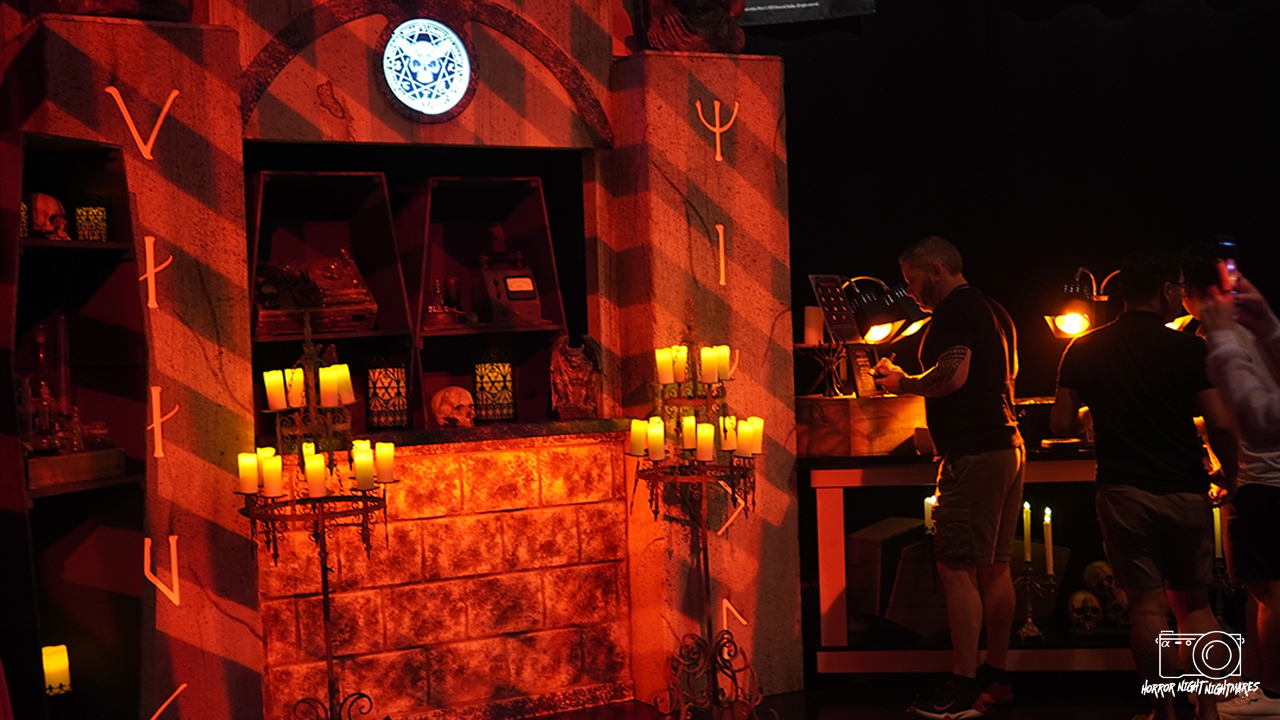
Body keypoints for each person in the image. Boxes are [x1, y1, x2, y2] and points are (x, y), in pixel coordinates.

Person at [1051, 251, 1238, 720]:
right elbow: (1219, 423)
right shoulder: (1189, 350)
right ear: (1165, 292)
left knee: (1147, 609)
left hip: (1123, 491)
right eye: (1178, 289)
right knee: (1195, 606)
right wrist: (1232, 475)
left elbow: (1060, 423)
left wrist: (1097, 411)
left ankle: (1165, 713)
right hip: (1184, 488)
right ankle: (1209, 712)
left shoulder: (1084, 348)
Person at [875, 237, 1023, 720]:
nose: (909, 290)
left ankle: (961, 687)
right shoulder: (994, 309)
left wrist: (901, 382)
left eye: (912, 279)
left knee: (956, 568)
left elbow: (953, 375)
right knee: (995, 566)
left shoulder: (954, 310)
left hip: (974, 454)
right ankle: (995, 677)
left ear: (936, 271)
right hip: (1006, 445)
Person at [1187, 257, 1280, 720]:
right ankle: (1261, 684)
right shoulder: (1258, 330)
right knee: (1262, 588)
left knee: (1269, 590)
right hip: (1263, 474)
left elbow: (1243, 418)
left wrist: (1224, 470)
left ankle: (1274, 693)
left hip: (1260, 476)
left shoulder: (1219, 337)